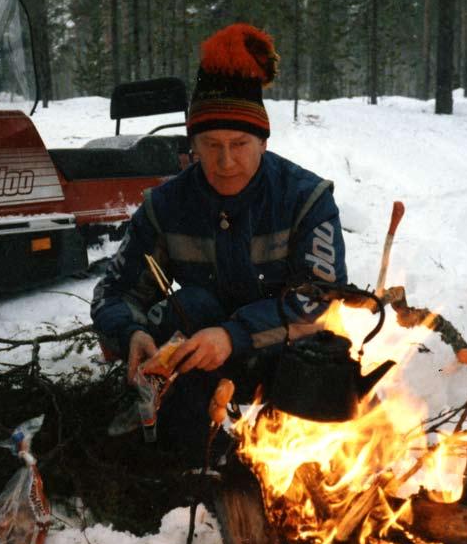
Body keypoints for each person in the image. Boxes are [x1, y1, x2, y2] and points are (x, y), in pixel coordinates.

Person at [91, 23, 347, 465]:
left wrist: (235, 335)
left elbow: (318, 298)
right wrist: (129, 332)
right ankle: (180, 448)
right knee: (192, 305)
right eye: (210, 145)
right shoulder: (166, 206)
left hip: (281, 364)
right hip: (193, 366)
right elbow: (115, 293)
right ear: (192, 145)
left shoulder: (305, 200)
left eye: (239, 144)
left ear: (264, 142)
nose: (226, 161)